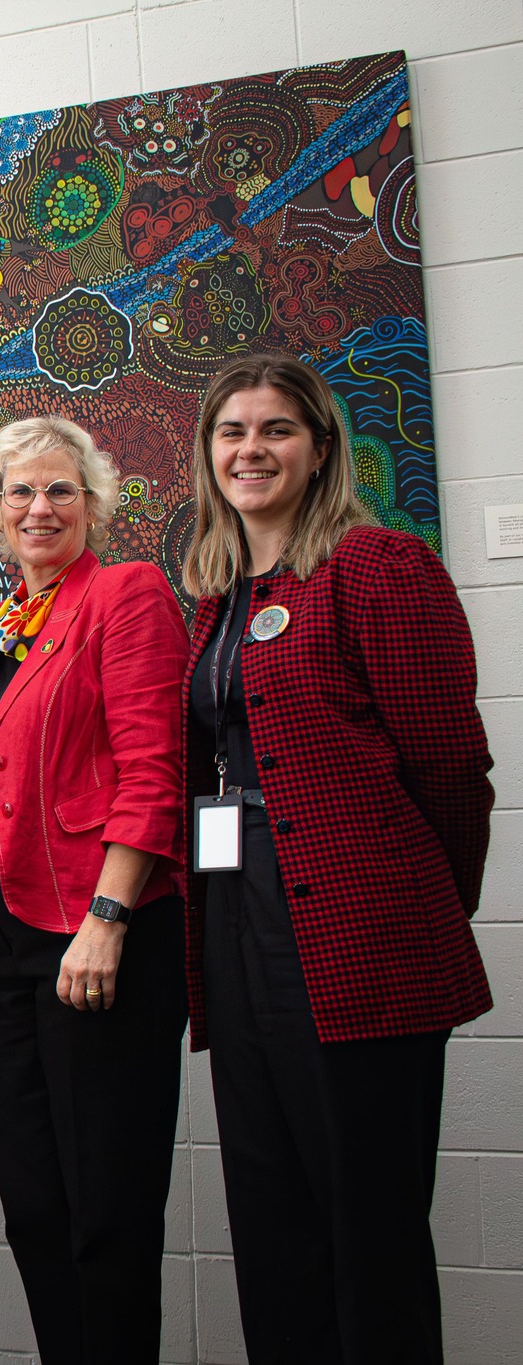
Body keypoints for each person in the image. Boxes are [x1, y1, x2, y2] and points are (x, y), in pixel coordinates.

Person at [181, 355, 492, 1363]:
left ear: (318, 450)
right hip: (235, 921)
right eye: (231, 432)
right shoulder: (215, 595)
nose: (249, 449)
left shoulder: (374, 566)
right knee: (269, 1224)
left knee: (367, 1230)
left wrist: (417, 906)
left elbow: (448, 765)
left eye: (273, 430)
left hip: (356, 934)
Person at [0, 416, 188, 1364]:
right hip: (3, 947)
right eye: (20, 492)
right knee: (35, 1204)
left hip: (97, 935)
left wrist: (109, 917)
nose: (39, 508)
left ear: (92, 505)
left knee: (104, 1209)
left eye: (60, 491)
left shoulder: (126, 595)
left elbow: (154, 766)